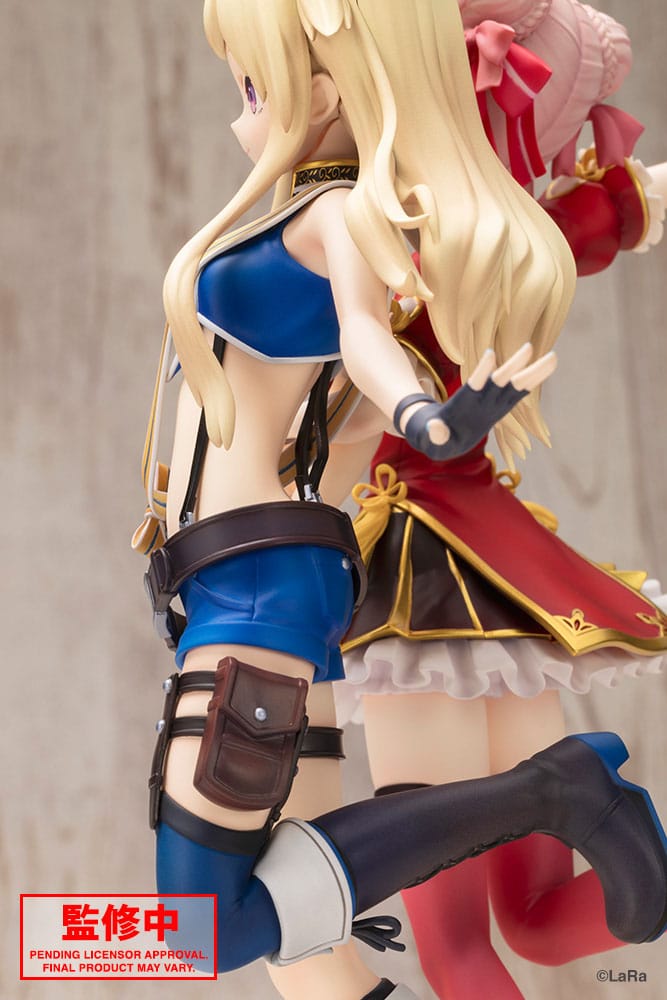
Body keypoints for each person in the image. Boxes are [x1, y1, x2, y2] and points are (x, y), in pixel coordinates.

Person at [136, 2, 667, 997]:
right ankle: (545, 795)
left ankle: (552, 791)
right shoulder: (293, 212)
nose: (241, 114)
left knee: (198, 929)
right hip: (232, 584)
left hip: (259, 584)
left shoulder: (338, 214)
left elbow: (365, 334)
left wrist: (426, 418)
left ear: (325, 93)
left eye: (255, 87)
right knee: (302, 948)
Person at [324, 2, 667, 997]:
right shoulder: (504, 232)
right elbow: (598, 220)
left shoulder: (359, 232)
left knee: (459, 947)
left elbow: (339, 421)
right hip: (501, 579)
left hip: (417, 595)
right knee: (532, 920)